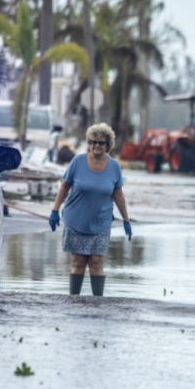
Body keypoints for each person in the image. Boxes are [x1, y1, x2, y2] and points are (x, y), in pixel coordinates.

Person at [49, 123, 132, 296]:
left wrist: (126, 220)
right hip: (76, 219)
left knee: (96, 262)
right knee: (78, 262)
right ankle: (74, 301)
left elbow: (118, 195)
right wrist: (55, 210)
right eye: (93, 142)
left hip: (101, 222)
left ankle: (98, 303)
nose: (96, 146)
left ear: (108, 145)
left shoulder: (114, 167)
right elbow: (65, 186)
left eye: (101, 143)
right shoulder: (78, 161)